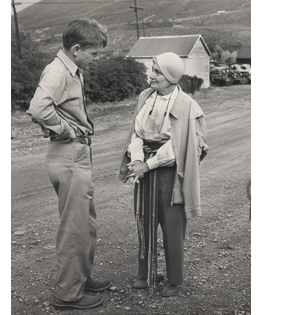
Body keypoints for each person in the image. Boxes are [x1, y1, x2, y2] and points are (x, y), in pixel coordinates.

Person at [27, 17, 111, 311]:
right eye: (94, 53)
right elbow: (38, 108)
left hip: (75, 153)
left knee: (86, 224)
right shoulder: (57, 72)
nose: (96, 58)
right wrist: (64, 129)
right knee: (73, 228)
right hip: (67, 152)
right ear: (77, 49)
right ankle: (68, 295)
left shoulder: (71, 69)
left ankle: (81, 278)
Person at [117, 52, 208, 297]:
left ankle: (174, 280)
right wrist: (137, 159)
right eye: (152, 70)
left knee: (172, 225)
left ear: (170, 76)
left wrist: (148, 165)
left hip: (170, 173)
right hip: (144, 168)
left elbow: (177, 145)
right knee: (143, 221)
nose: (152, 75)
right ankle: (145, 274)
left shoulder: (187, 104)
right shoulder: (145, 97)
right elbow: (136, 132)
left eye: (157, 71)